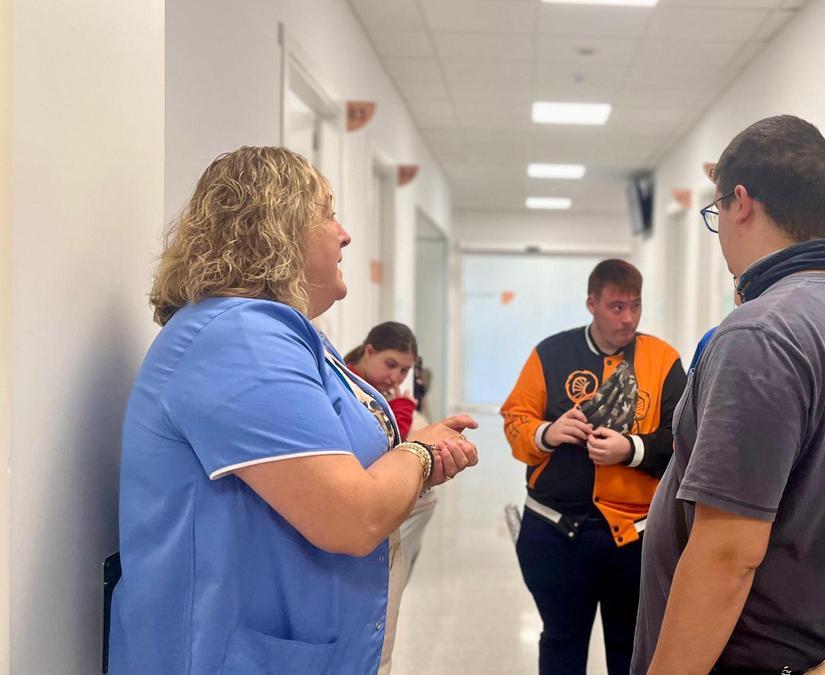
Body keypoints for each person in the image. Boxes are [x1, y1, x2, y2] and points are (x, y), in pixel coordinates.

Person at [109, 146, 479, 674]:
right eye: (327, 213)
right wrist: (419, 453)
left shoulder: (285, 335)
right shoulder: (239, 338)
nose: (345, 233)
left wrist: (413, 457)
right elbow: (351, 517)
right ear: (276, 226)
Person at [632, 115, 825, 674]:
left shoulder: (761, 333)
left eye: (716, 216)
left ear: (741, 202)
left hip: (748, 652)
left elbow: (727, 554)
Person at [501, 259, 685, 675]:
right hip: (554, 534)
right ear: (592, 304)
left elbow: (682, 438)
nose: (629, 318)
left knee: (631, 650)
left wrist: (632, 449)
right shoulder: (551, 353)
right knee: (562, 642)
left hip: (635, 541)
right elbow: (516, 420)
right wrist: (548, 432)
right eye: (616, 307)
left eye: (636, 306)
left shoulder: (663, 359)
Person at [343, 322, 436, 675]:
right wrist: (402, 405)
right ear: (368, 351)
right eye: (391, 364)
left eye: (405, 370)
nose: (396, 376)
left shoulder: (381, 390)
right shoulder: (352, 388)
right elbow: (389, 443)